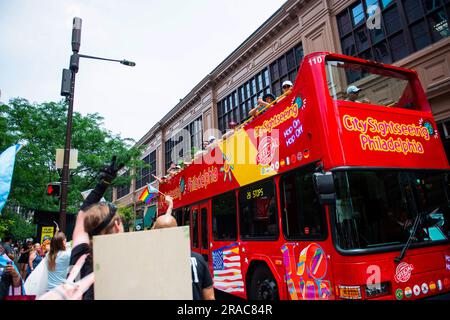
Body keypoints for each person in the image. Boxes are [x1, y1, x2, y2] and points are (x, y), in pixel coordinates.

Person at [68, 156, 124, 300]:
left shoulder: (80, 254)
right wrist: (104, 183)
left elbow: (81, 214)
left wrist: (102, 184)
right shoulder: (126, 261)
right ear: (117, 226)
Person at [152, 196, 215, 300]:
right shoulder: (198, 259)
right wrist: (170, 208)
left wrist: (170, 208)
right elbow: (210, 297)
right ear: (177, 233)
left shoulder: (150, 262)